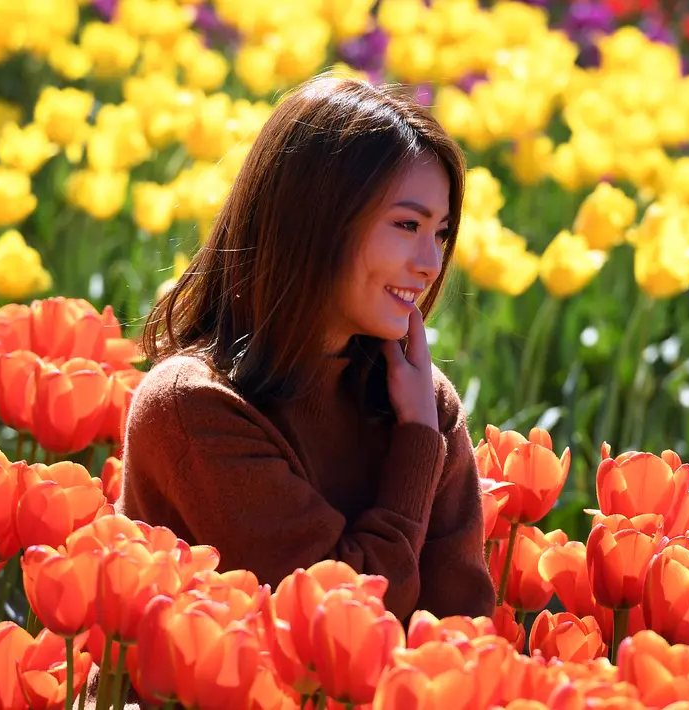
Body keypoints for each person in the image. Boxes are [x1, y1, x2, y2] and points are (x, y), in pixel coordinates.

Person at [120, 72, 497, 622]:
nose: (431, 263)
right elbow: (341, 619)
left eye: (439, 233)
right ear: (315, 222)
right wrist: (415, 445)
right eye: (407, 224)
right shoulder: (192, 407)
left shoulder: (422, 400)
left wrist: (421, 424)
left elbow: (463, 627)